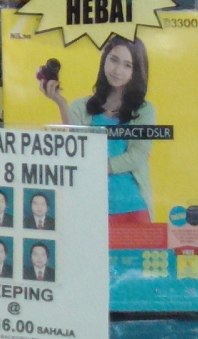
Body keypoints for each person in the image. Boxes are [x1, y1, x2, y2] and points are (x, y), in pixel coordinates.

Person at [40, 36, 154, 222]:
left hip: (132, 208)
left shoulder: (144, 110)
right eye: (114, 60)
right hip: (90, 207)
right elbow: (73, 152)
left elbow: (138, 155)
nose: (117, 70)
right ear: (104, 59)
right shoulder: (79, 107)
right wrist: (61, 104)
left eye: (127, 65)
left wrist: (93, 166)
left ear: (136, 71)